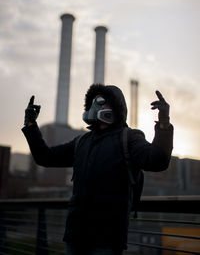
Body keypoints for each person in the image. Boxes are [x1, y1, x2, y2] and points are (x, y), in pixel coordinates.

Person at [22, 83, 173, 255]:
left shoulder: (129, 138)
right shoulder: (82, 142)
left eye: (101, 101)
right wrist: (31, 126)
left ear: (116, 107)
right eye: (92, 102)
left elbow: (158, 161)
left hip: (107, 240)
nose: (95, 106)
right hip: (75, 236)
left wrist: (164, 123)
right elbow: (45, 157)